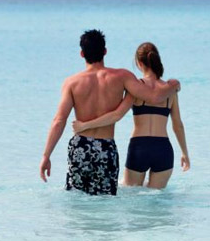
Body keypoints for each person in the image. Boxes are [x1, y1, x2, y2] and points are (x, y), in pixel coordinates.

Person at [39, 30, 180, 196]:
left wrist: (46, 156)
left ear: (82, 54)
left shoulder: (71, 83)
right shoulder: (122, 77)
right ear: (105, 51)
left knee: (76, 198)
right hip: (106, 148)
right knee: (106, 200)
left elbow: (59, 120)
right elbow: (154, 97)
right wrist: (173, 86)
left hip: (80, 146)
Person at [72, 41, 190, 189]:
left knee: (131, 196)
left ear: (139, 63)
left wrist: (85, 125)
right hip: (163, 149)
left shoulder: (136, 87)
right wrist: (185, 153)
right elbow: (178, 125)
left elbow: (116, 115)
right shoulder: (170, 89)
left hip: (139, 148)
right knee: (157, 204)